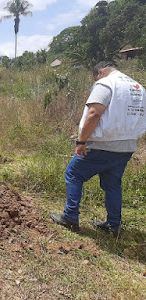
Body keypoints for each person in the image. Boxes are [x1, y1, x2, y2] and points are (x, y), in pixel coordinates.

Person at [51, 61, 146, 237]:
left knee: (73, 174)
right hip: (127, 146)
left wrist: (81, 141)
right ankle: (113, 225)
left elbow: (94, 113)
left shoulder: (105, 83)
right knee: (112, 184)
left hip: (103, 144)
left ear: (100, 72)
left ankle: (70, 217)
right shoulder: (138, 87)